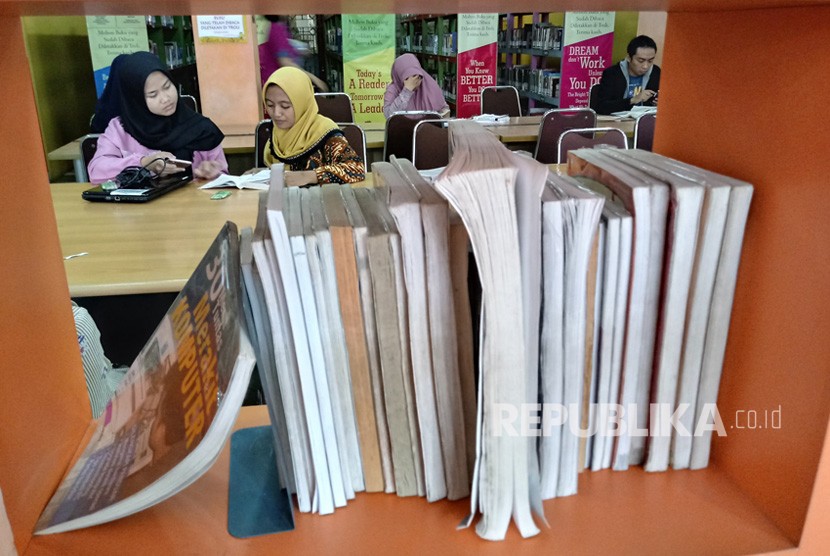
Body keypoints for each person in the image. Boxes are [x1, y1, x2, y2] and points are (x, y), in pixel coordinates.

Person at [88, 51, 227, 185]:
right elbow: (96, 171)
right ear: (136, 100)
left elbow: (223, 176)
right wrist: (144, 163)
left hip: (194, 206)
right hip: (140, 208)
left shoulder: (201, 129)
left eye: (167, 87)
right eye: (153, 95)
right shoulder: (120, 129)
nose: (166, 98)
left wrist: (214, 174)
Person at [262, 66, 365, 187]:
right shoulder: (276, 132)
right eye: (269, 105)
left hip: (321, 202)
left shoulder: (324, 132)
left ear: (302, 103)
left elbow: (357, 169)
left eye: (285, 106)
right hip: (283, 201)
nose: (276, 113)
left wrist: (312, 176)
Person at [590, 35, 661, 115]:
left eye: (650, 61)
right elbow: (601, 107)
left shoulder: (656, 73)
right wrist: (632, 100)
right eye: (641, 61)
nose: (646, 66)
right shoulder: (612, 74)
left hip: (643, 122)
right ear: (628, 58)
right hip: (616, 122)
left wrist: (659, 104)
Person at [259, 15, 328, 92]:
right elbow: (285, 62)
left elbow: (283, 49)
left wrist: (298, 51)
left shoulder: (280, 28)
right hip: (278, 86)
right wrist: (314, 79)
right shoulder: (277, 28)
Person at [383, 53, 450, 118]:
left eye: (417, 76)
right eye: (407, 78)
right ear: (399, 76)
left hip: (427, 127)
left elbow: (444, 111)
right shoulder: (393, 89)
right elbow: (389, 115)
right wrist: (407, 91)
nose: (414, 81)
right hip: (402, 127)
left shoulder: (429, 85)